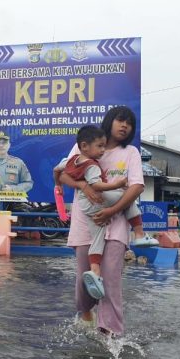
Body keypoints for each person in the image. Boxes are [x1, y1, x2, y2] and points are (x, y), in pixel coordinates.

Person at [57, 106, 145, 337]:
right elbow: (62, 174)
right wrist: (84, 185)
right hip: (86, 220)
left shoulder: (131, 153)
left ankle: (111, 334)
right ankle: (86, 313)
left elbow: (136, 185)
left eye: (129, 123)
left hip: (116, 221)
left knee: (111, 280)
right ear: (110, 121)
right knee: (84, 281)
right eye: (120, 120)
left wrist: (113, 210)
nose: (125, 125)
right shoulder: (84, 145)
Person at [53, 125, 156, 299]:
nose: (103, 150)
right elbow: (96, 185)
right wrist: (117, 184)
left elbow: (57, 171)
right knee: (126, 198)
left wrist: (58, 185)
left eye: (104, 146)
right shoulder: (91, 165)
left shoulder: (71, 160)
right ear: (84, 146)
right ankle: (139, 234)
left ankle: (94, 272)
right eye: (100, 146)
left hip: (86, 207)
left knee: (97, 238)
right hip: (98, 199)